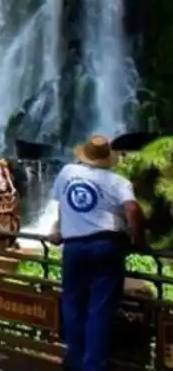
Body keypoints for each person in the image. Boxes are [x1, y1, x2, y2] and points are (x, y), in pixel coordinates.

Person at [47, 135, 145, 371]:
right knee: (99, 308)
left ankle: (75, 360)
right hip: (106, 245)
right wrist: (136, 236)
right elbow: (132, 208)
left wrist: (59, 228)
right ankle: (93, 366)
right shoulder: (117, 181)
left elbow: (62, 203)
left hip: (74, 247)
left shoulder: (68, 172)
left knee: (72, 304)